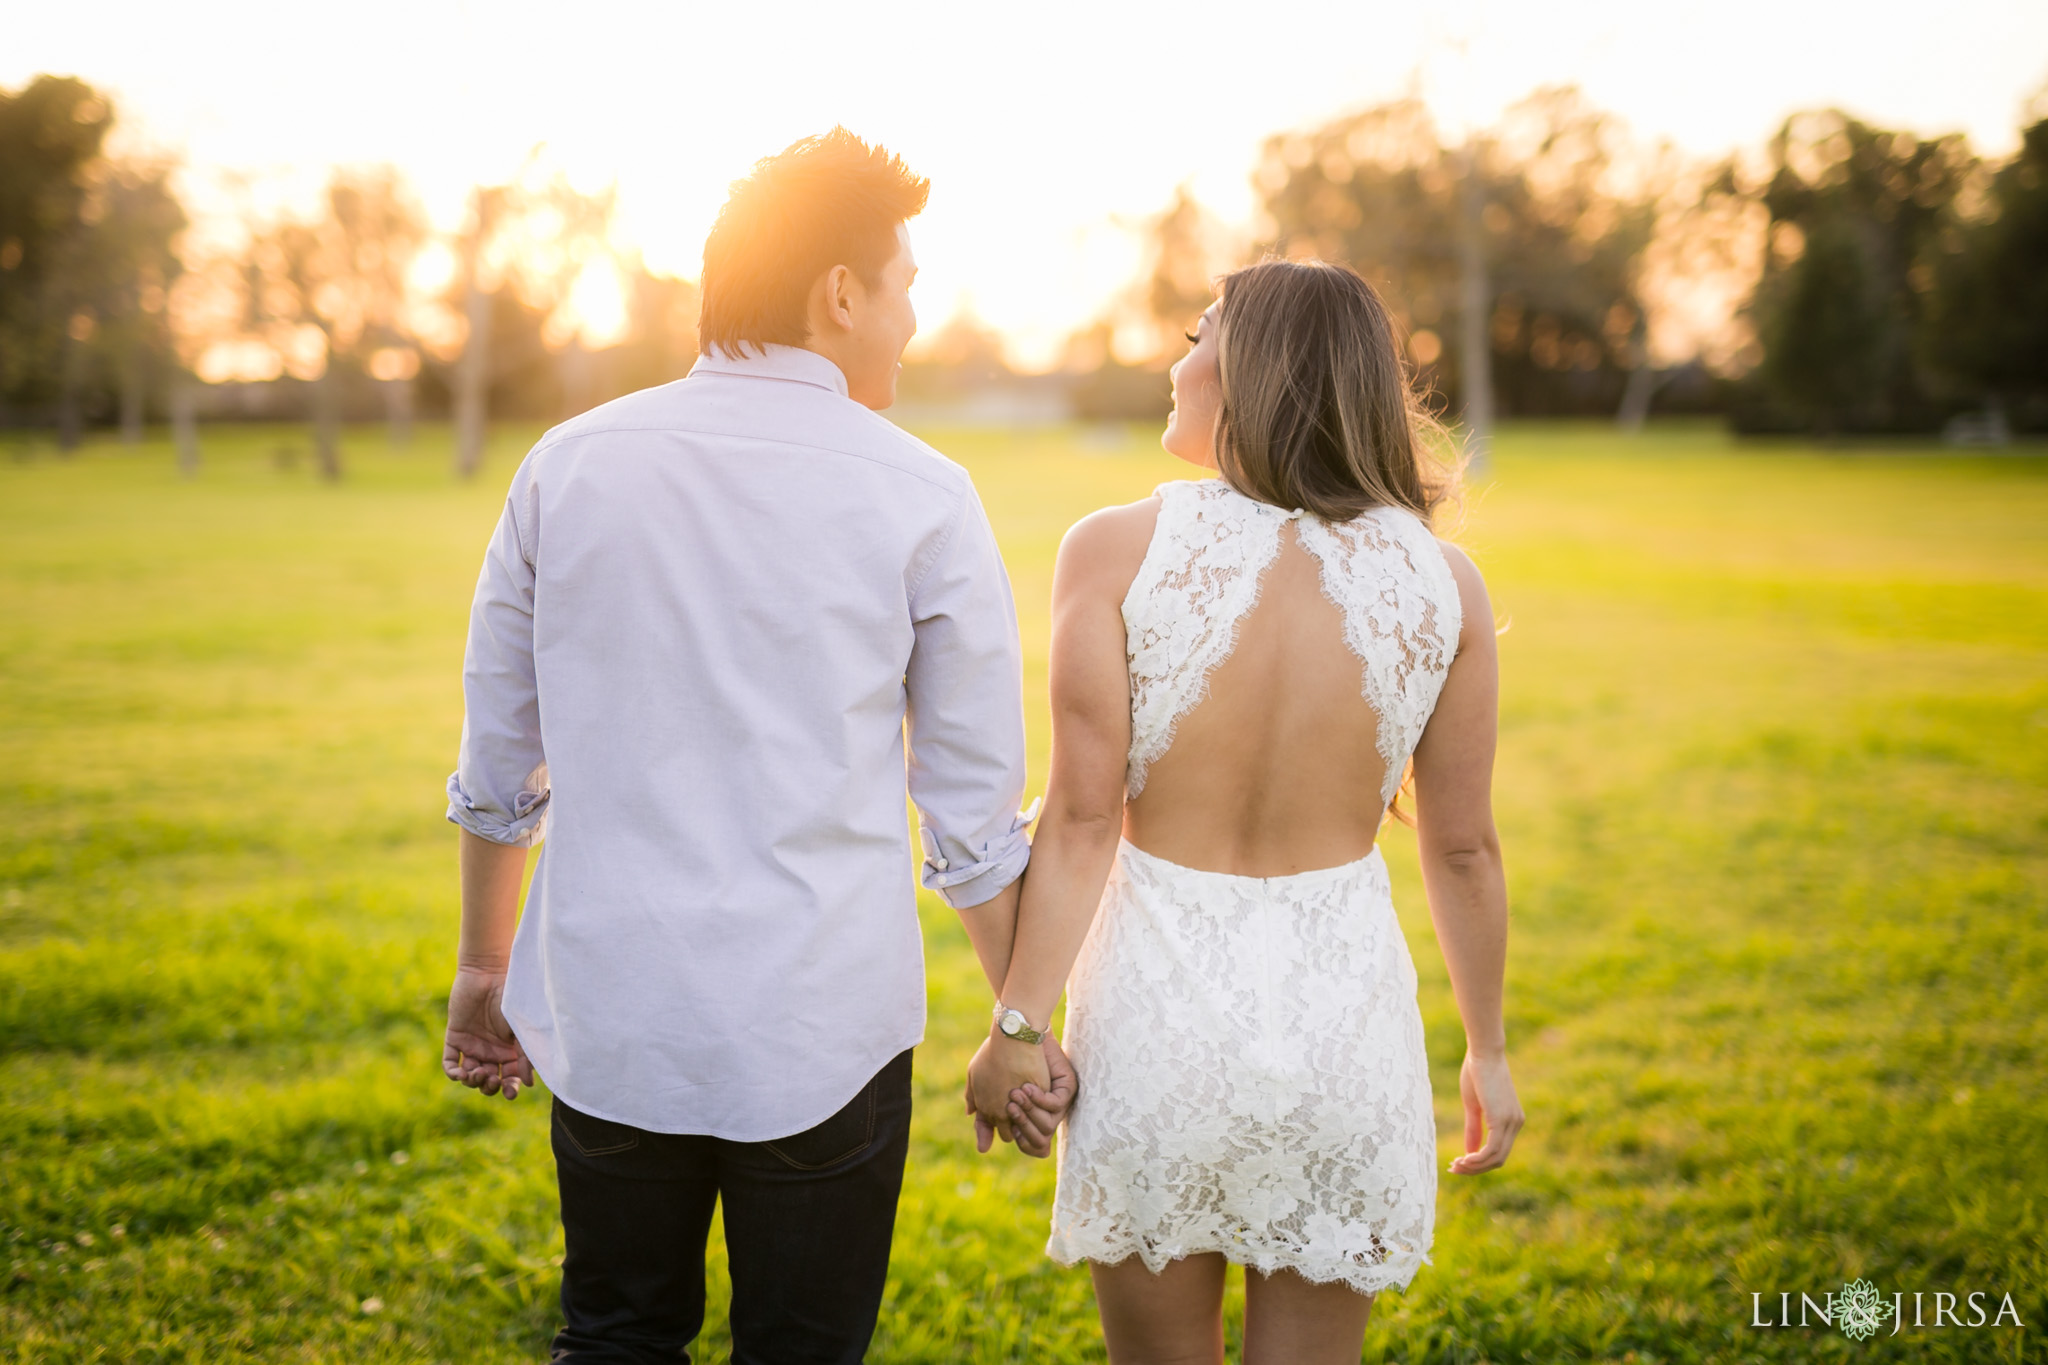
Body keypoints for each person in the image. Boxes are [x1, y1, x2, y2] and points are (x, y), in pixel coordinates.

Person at [440, 127, 1074, 1365]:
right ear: (840, 293)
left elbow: (500, 760)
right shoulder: (922, 493)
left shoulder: (563, 467)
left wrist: (481, 961)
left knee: (615, 1334)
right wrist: (1021, 1019)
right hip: (819, 1025)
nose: (907, 323)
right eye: (903, 290)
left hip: (612, 1006)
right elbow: (970, 814)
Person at [968, 259, 1525, 1364]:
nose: (1176, 361)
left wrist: (1015, 1029)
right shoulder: (1441, 581)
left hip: (1154, 1032)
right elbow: (1461, 847)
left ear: (1252, 366)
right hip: (1342, 1037)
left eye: (1195, 332)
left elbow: (1081, 822)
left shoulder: (1112, 549)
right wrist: (1489, 1050)